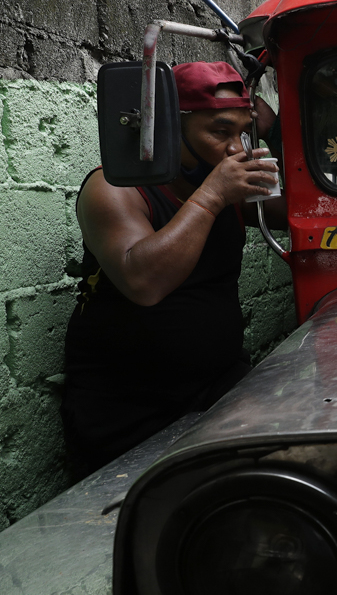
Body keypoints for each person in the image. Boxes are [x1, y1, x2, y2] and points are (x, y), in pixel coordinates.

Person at [60, 61, 282, 478]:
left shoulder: (230, 182)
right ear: (168, 129)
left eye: (242, 133)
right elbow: (144, 282)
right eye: (219, 132)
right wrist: (211, 196)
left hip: (219, 389)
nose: (236, 149)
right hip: (127, 413)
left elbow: (301, 213)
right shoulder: (113, 188)